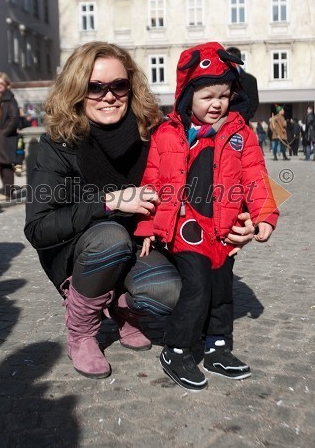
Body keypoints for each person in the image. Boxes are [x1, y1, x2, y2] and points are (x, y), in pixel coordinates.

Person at [24, 41, 255, 381]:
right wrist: (111, 201)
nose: (109, 96)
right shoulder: (58, 144)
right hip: (82, 250)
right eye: (95, 87)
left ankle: (123, 309)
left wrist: (248, 216)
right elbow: (38, 228)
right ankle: (82, 330)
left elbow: (219, 165)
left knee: (179, 292)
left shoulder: (157, 130)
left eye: (118, 85)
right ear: (77, 90)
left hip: (140, 245)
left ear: (130, 87)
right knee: (111, 236)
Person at [135, 42, 279, 391]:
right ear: (188, 98)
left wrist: (264, 216)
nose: (217, 104)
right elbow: (152, 181)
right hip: (186, 228)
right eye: (208, 96)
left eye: (224, 95)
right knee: (197, 287)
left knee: (222, 290)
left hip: (223, 228)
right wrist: (148, 227)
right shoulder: (168, 133)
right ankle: (177, 348)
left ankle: (217, 347)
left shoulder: (240, 134)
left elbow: (256, 178)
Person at [225, 46, 259, 124]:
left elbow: (254, 104)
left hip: (242, 123)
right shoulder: (222, 79)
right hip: (224, 123)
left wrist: (243, 118)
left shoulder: (250, 80)